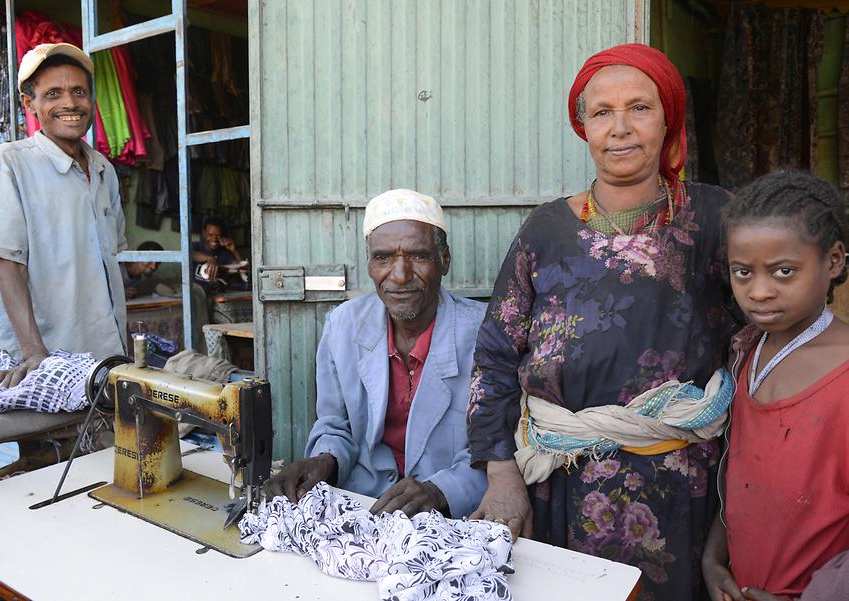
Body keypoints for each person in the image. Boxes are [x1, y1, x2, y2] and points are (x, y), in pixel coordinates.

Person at [466, 44, 733, 599]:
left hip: (686, 490)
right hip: (563, 485)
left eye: (640, 108)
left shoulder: (716, 217)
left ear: (668, 120)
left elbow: (761, 331)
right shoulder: (545, 230)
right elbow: (494, 356)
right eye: (602, 112)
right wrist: (501, 474)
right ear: (582, 125)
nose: (620, 128)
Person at [267, 189, 488, 519]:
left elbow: (499, 450)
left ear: (444, 260)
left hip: (451, 517)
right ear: (369, 262)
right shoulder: (343, 326)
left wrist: (440, 489)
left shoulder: (486, 334)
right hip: (364, 505)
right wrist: (325, 460)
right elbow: (334, 425)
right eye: (383, 257)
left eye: (418, 256)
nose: (399, 275)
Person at [702, 171, 849, 601]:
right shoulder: (746, 353)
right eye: (743, 272)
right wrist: (714, 555)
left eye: (783, 271)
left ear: (833, 260)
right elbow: (738, 476)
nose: (759, 292)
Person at [0, 43, 127, 387]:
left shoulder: (103, 169)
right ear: (29, 104)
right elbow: (7, 264)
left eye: (79, 92)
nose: (70, 103)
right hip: (48, 366)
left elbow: (109, 261)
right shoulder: (5, 165)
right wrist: (33, 353)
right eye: (53, 93)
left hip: (111, 360)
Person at [192, 216, 243, 282]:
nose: (214, 239)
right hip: (196, 291)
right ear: (204, 233)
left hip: (218, 291)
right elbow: (190, 255)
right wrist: (209, 258)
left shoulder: (225, 253)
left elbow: (242, 269)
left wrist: (234, 250)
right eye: (210, 235)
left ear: (222, 235)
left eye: (218, 235)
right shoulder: (195, 246)